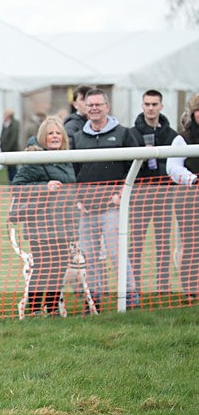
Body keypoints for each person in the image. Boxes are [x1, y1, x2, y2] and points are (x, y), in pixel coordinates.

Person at [73, 88, 139, 312]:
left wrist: (122, 194)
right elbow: (74, 171)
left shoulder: (123, 134)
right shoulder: (78, 138)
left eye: (98, 104)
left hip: (112, 208)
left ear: (107, 107)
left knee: (116, 255)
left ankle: (130, 299)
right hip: (86, 210)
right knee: (90, 258)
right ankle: (94, 302)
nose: (93, 108)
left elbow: (135, 166)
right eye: (90, 105)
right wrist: (77, 199)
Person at [11, 116, 78, 316]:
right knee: (43, 268)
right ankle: (33, 309)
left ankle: (52, 308)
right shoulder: (35, 159)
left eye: (58, 133)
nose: (55, 137)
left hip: (63, 224)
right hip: (41, 226)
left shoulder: (67, 159)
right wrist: (44, 187)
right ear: (43, 137)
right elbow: (17, 187)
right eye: (50, 133)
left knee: (59, 268)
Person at [127, 89, 178, 293]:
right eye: (147, 104)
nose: (150, 108)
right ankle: (135, 287)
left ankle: (163, 286)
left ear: (161, 106)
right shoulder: (131, 133)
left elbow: (176, 165)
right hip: (140, 197)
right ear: (142, 105)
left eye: (154, 104)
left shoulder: (171, 135)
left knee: (163, 243)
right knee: (136, 244)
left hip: (163, 197)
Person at [166, 93, 199, 299]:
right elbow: (172, 167)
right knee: (192, 244)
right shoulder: (182, 139)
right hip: (190, 199)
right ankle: (191, 289)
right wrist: (194, 180)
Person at [63, 85, 91, 149]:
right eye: (83, 99)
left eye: (89, 98)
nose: (87, 102)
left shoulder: (100, 122)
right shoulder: (71, 125)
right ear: (75, 104)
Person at [0, 108, 21, 182]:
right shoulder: (5, 123)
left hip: (12, 150)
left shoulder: (15, 124)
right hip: (6, 151)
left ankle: (15, 185)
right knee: (9, 170)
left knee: (13, 170)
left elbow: (13, 138)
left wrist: (8, 148)